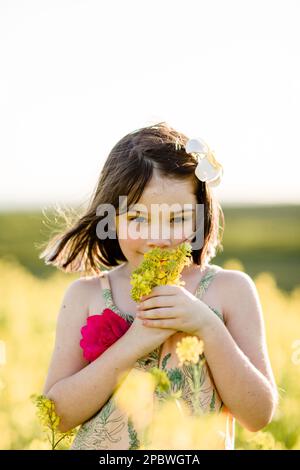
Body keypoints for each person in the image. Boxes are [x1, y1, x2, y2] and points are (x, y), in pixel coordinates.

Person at [40, 121, 278, 450]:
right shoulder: (86, 296)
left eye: (177, 218)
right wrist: (132, 343)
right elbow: (56, 417)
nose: (159, 238)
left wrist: (207, 326)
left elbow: (259, 414)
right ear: (111, 219)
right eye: (137, 218)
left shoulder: (228, 291)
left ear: (200, 216)